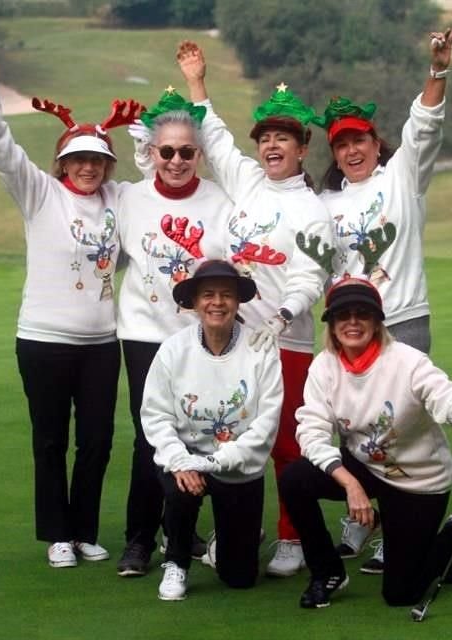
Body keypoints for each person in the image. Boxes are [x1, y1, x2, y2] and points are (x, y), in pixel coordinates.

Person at [0, 55, 139, 567]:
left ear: (107, 165)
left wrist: (149, 128)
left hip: (101, 344)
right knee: (51, 440)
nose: (87, 167)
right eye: (79, 159)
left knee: (97, 442)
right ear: (62, 163)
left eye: (97, 160)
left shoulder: (119, 201)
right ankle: (57, 534)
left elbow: (157, 189)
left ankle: (83, 531)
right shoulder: (39, 194)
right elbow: (4, 154)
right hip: (42, 341)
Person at [278, 277, 452, 609]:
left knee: (401, 594)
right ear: (332, 323)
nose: (353, 322)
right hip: (367, 464)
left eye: (363, 314)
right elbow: (311, 432)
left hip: (418, 479)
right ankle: (327, 572)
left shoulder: (407, 361)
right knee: (294, 479)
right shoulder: (324, 367)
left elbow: (449, 399)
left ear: (377, 321)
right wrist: (350, 484)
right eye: (343, 315)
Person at [177, 40, 335, 577]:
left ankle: (293, 537)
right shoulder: (246, 180)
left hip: (282, 340)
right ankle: (239, 525)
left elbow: (310, 275)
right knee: (230, 434)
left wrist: (283, 316)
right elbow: (214, 137)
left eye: (282, 139)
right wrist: (197, 81)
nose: (271, 146)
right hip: (232, 339)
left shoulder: (310, 209)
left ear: (301, 148)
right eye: (266, 138)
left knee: (285, 443)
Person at [314, 27, 452, 573]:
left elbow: (424, 125)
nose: (352, 150)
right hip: (348, 325)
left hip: (403, 317)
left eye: (360, 140)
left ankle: (397, 526)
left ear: (376, 144)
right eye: (342, 144)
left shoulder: (402, 178)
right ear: (335, 151)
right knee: (352, 422)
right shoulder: (323, 202)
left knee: (403, 423)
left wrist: (438, 70)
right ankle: (360, 512)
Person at [115, 89, 233, 577]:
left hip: (198, 337)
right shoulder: (128, 197)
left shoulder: (220, 201)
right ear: (152, 154)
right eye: (167, 151)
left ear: (199, 154)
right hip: (144, 334)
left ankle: (182, 530)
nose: (177, 160)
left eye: (187, 151)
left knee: (198, 432)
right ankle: (140, 539)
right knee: (150, 437)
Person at [141, 259, 283, 601]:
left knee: (240, 578)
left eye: (226, 295)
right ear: (194, 302)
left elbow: (266, 423)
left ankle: (226, 541)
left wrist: (215, 463)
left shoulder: (260, 349)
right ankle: (176, 560)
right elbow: (155, 415)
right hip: (188, 461)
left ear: (238, 302)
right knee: (178, 489)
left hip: (237, 467)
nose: (217, 302)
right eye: (208, 295)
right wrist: (181, 461)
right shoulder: (173, 350)